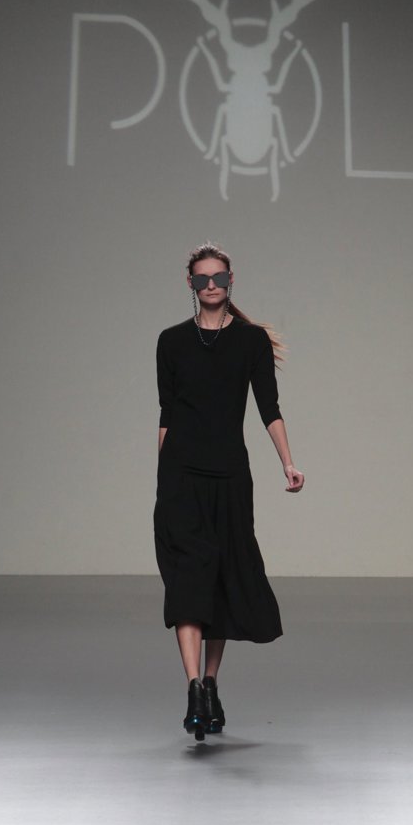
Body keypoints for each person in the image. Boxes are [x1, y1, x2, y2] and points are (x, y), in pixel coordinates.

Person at [153, 242, 305, 741]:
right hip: (181, 476)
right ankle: (194, 687)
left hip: (229, 478)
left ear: (231, 280)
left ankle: (211, 684)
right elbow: (167, 414)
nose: (211, 285)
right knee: (187, 582)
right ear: (190, 284)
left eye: (218, 277)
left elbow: (269, 407)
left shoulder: (250, 342)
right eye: (202, 278)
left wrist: (288, 462)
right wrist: (162, 479)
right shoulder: (171, 342)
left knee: (219, 580)